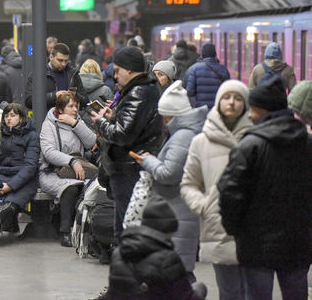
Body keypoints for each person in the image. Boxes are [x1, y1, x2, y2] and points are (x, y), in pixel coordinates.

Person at [218, 77, 311, 300]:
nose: (250, 115)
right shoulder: (307, 144)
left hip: (256, 244)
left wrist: (234, 229)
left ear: (265, 111)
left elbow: (230, 192)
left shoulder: (250, 146)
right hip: (299, 242)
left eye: (255, 109)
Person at [180, 80, 252, 300]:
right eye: (227, 97)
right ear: (218, 102)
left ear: (246, 104)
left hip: (252, 229)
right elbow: (189, 183)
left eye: (238, 98)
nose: (231, 102)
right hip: (218, 226)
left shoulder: (256, 140)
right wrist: (204, 206)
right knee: (229, 292)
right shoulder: (201, 142)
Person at [133, 81, 206, 280]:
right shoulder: (186, 133)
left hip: (177, 212)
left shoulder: (183, 137)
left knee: (180, 272)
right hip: (178, 210)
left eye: (165, 115)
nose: (163, 120)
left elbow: (168, 173)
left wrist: (147, 161)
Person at [90, 46, 162, 239]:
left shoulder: (138, 92)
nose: (115, 76)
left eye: (117, 70)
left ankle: (126, 264)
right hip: (132, 165)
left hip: (128, 167)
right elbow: (133, 125)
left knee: (126, 226)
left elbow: (123, 135)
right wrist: (115, 116)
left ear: (129, 69)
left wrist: (101, 122)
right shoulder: (145, 89)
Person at [94, 195, 207, 300]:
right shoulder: (168, 259)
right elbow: (186, 297)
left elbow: (113, 294)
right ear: (168, 230)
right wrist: (200, 289)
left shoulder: (119, 254)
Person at [39, 92, 96, 247]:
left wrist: (75, 124)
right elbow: (49, 152)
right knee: (71, 188)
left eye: (76, 106)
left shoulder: (77, 122)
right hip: (52, 172)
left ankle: (86, 230)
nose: (75, 109)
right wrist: (71, 161)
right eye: (71, 106)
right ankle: (65, 231)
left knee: (88, 188)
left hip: (77, 171)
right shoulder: (49, 124)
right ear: (60, 109)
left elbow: (91, 142)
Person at [0, 103, 39, 243]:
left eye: (13, 115)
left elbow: (30, 166)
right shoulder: (1, 135)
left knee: (7, 208)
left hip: (23, 179)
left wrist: (10, 186)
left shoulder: (32, 136)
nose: (9, 119)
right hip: (1, 176)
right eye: (6, 116)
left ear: (21, 118)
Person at [25, 42, 87, 111]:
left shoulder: (73, 74)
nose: (63, 64)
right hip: (46, 119)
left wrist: (75, 95)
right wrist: (54, 96)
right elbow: (29, 101)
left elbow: (85, 101)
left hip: (69, 119)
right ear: (51, 57)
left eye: (66, 61)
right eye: (60, 60)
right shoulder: (38, 74)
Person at [183, 43, 230, 109]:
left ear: (202, 55)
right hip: (217, 109)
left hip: (200, 109)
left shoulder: (193, 69)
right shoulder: (223, 69)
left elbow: (190, 91)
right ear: (215, 54)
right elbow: (227, 90)